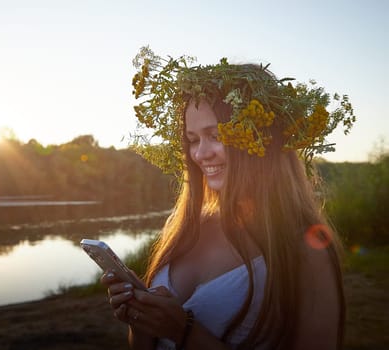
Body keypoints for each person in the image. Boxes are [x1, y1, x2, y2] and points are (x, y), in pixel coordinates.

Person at [101, 47, 355, 349]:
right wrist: (142, 321)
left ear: (263, 140)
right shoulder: (185, 227)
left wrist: (184, 332)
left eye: (216, 135)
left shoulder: (305, 248)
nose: (200, 153)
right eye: (193, 140)